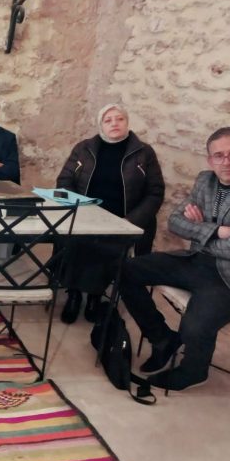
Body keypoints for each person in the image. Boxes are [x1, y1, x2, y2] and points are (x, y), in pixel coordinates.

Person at [119, 127, 230, 391]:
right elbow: (174, 222)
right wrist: (219, 231)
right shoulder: (206, 181)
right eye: (219, 155)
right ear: (210, 160)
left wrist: (200, 228)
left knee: (194, 326)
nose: (226, 161)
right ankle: (162, 339)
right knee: (125, 270)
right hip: (199, 260)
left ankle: (194, 371)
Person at [56, 103, 164, 323]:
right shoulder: (84, 148)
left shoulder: (144, 153)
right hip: (85, 214)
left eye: (119, 119)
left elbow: (155, 192)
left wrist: (130, 221)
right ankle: (74, 294)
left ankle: (94, 296)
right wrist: (79, 208)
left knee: (106, 244)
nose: (114, 123)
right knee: (74, 240)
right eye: (108, 120)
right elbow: (65, 180)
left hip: (123, 219)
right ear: (101, 125)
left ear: (127, 122)